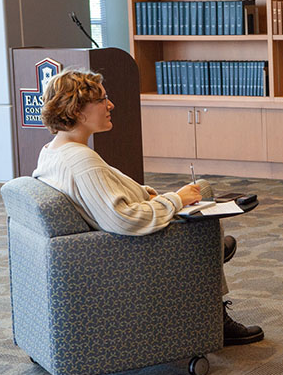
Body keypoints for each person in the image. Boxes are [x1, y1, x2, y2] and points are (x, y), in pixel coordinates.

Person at [32, 68, 263, 346]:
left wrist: (149, 195)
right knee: (203, 192)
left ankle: (211, 252)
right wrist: (175, 200)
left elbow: (107, 199)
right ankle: (213, 306)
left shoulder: (53, 151)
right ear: (78, 111)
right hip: (132, 250)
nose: (111, 105)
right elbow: (125, 220)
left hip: (110, 241)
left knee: (199, 192)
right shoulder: (82, 163)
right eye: (103, 100)